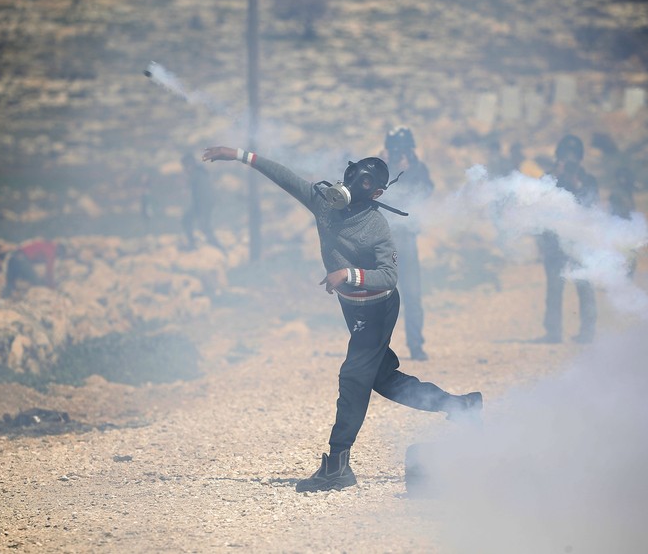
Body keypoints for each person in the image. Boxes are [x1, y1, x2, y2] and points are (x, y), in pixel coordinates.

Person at [201, 145, 483, 493]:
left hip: (377, 309)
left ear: (376, 192)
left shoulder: (376, 227)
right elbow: (286, 178)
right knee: (382, 378)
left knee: (353, 375)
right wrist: (241, 155)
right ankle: (461, 406)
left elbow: (389, 276)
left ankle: (337, 467)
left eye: (363, 181)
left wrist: (349, 274)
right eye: (352, 173)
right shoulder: (323, 202)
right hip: (353, 309)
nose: (352, 182)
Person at [534, 135, 598, 344]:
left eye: (572, 157)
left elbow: (590, 206)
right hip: (555, 244)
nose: (568, 161)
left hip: (579, 242)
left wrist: (576, 184)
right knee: (554, 290)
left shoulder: (588, 181)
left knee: (585, 288)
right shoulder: (549, 179)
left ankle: (588, 333)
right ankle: (553, 333)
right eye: (564, 157)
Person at [381, 126, 433, 360]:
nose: (399, 154)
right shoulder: (380, 169)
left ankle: (415, 344)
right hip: (384, 240)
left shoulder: (418, 169)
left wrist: (410, 172)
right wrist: (389, 170)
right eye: (395, 150)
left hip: (407, 238)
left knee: (412, 295)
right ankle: (378, 347)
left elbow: (426, 191)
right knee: (381, 296)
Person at [181, 150, 225, 252]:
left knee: (204, 227)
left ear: (191, 164)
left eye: (186, 166)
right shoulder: (198, 173)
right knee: (187, 221)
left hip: (203, 205)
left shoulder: (197, 174)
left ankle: (219, 248)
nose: (185, 169)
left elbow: (205, 195)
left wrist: (202, 211)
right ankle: (194, 244)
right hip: (200, 204)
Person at [609, 165, 638, 277]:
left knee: (630, 253)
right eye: (621, 177)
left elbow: (631, 208)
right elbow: (614, 209)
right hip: (619, 224)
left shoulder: (627, 190)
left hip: (627, 225)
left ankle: (628, 277)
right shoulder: (617, 191)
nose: (623, 180)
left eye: (624, 177)